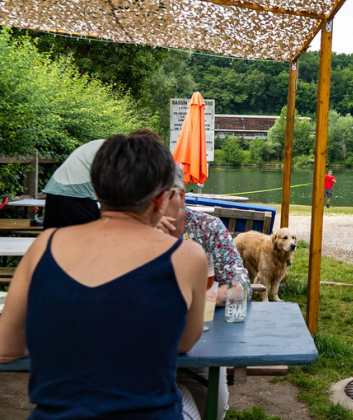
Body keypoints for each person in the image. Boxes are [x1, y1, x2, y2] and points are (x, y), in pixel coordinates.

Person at [0, 133, 207, 418]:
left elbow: (6, 349)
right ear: (160, 201)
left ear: (96, 193)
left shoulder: (43, 247)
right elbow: (182, 344)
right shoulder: (188, 257)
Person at [157, 166, 249, 420]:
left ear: (181, 197)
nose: (153, 208)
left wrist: (205, 297)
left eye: (161, 198)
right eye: (144, 199)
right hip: (144, 348)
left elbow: (240, 282)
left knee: (214, 410)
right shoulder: (136, 232)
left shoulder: (208, 227)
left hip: (201, 345)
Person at [42, 139, 105, 228]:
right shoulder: (117, 149)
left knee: (55, 237)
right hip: (76, 196)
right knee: (88, 237)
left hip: (55, 189)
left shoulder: (104, 144)